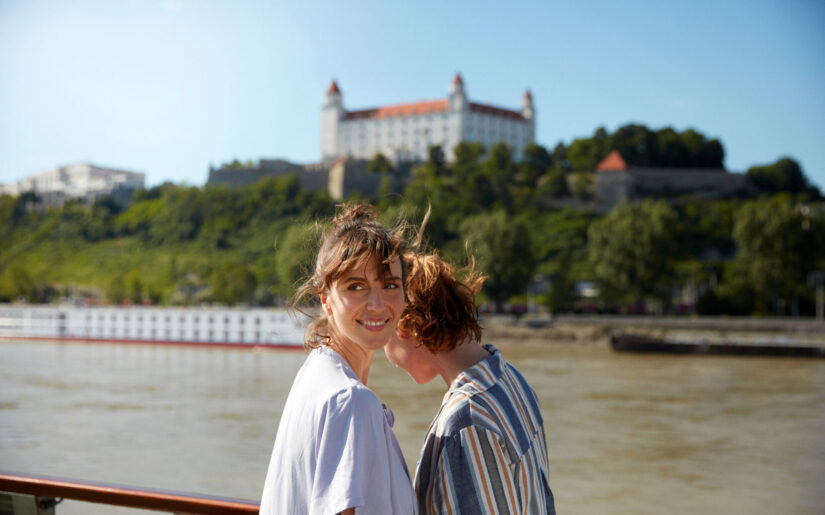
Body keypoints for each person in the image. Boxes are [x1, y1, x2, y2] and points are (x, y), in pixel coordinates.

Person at [260, 204, 416, 515]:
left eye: (390, 285)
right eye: (355, 286)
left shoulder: (315, 372)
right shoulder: (350, 400)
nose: (377, 304)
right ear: (326, 299)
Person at [385, 252, 556, 514]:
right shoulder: (511, 379)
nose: (386, 355)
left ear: (405, 327)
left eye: (383, 331)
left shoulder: (465, 421)